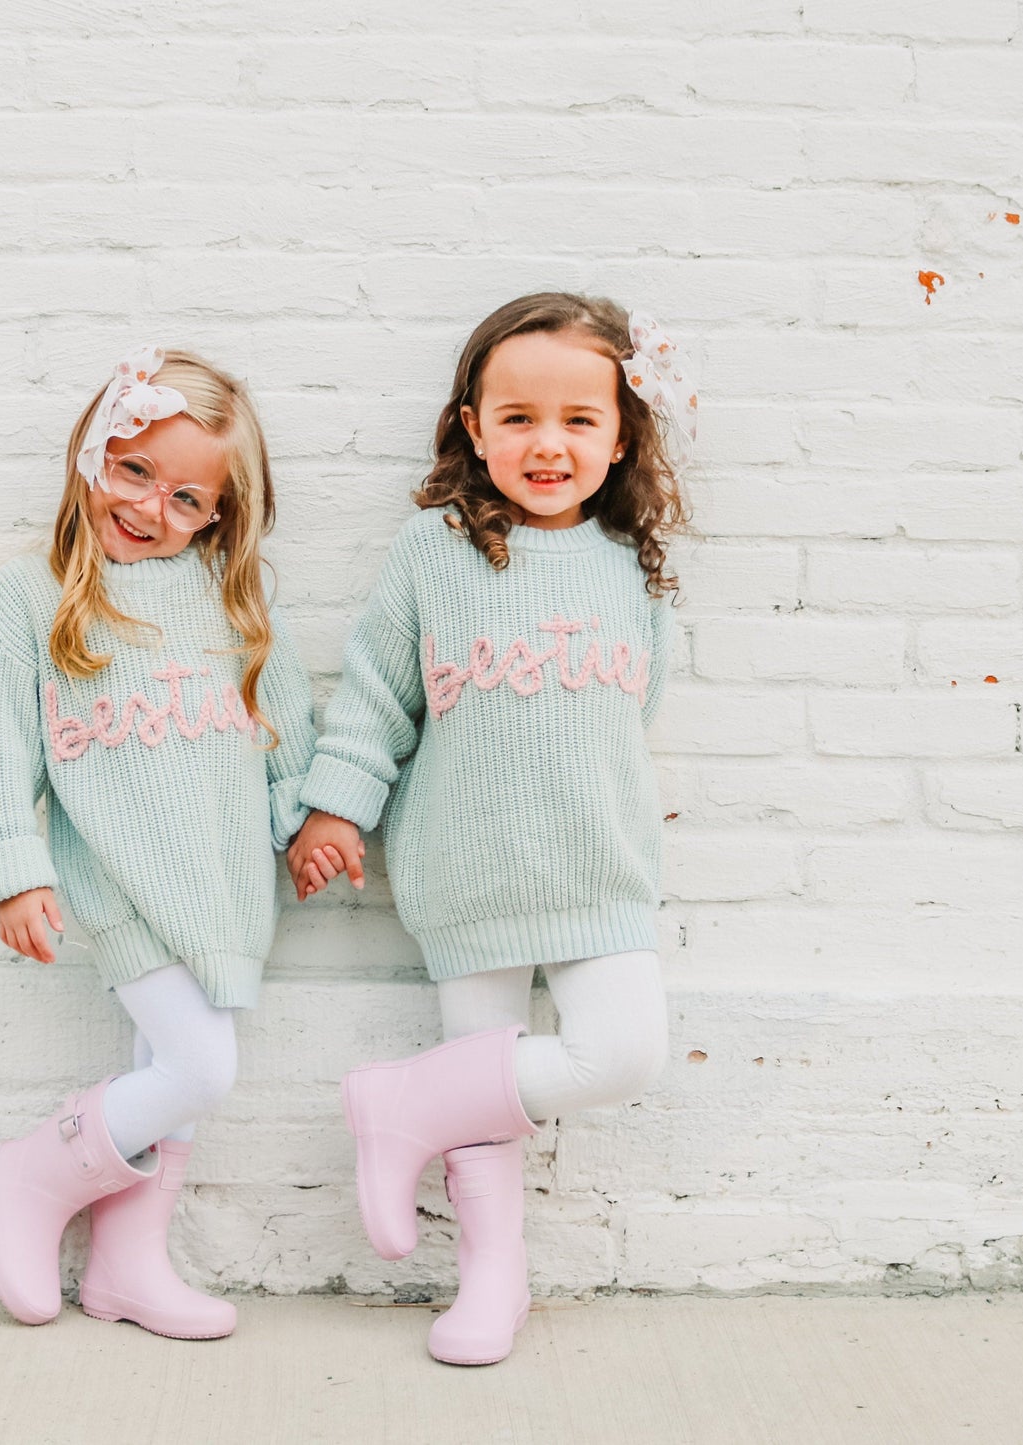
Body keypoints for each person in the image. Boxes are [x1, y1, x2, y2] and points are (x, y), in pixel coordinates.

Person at [289, 293, 694, 1365]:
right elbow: (375, 697)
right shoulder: (434, 552)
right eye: (517, 418)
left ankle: (405, 1102)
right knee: (485, 1118)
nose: (547, 444)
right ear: (472, 427)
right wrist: (334, 808)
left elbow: (636, 711)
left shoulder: (629, 565)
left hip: (598, 868)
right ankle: (489, 1278)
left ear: (620, 435)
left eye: (578, 419)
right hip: (467, 869)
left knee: (624, 1051)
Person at [0, 345, 315, 1333]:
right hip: (118, 883)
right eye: (133, 470)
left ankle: (125, 1266)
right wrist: (15, 869)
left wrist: (306, 824)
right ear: (94, 452)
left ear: (217, 516)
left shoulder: (229, 600)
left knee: (168, 1076)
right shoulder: (32, 594)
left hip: (222, 886)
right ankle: (32, 1170)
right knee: (200, 1067)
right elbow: (2, 744)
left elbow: (286, 725)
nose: (148, 507)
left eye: (186, 497)